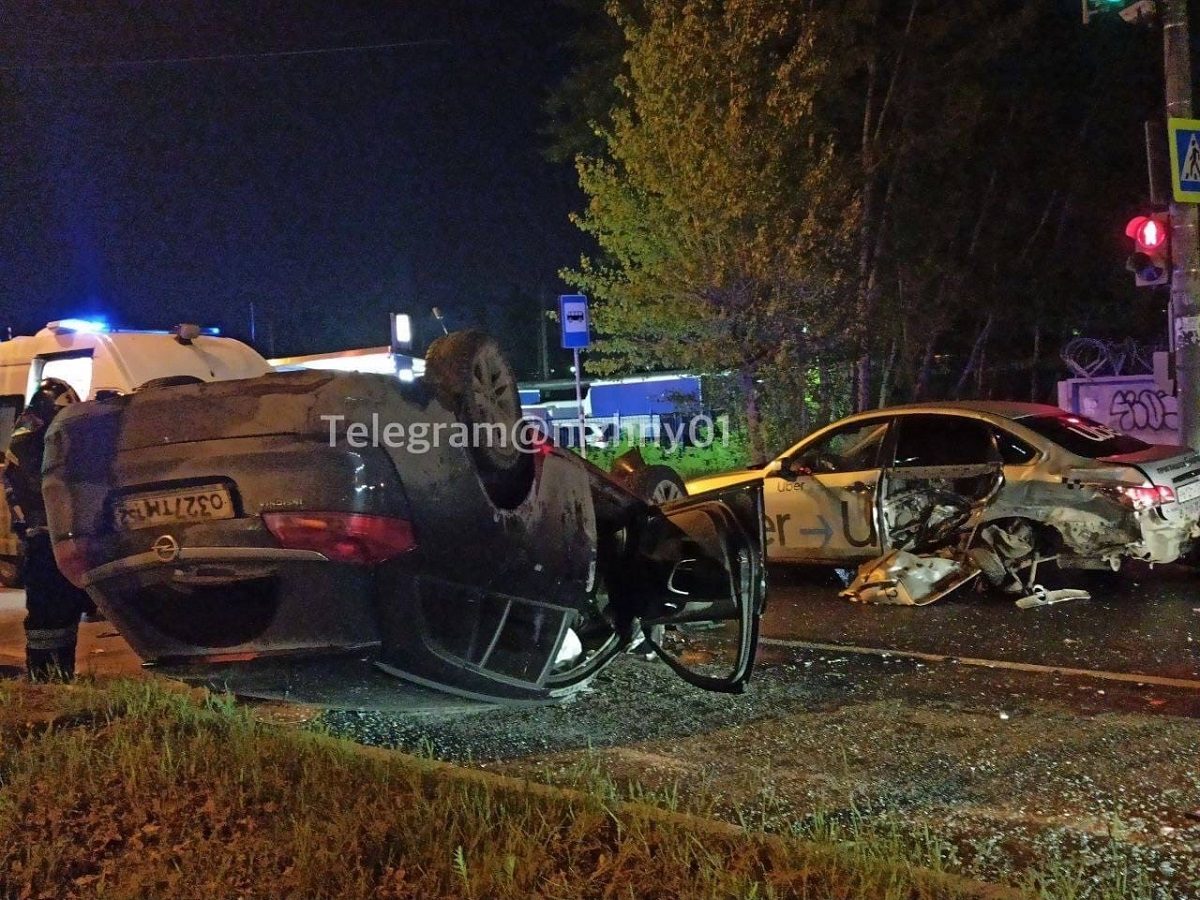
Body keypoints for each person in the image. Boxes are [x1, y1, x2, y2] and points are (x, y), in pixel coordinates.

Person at [3, 378, 91, 680]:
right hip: (47, 539)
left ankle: (53, 674)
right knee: (52, 614)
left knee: (57, 615)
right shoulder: (37, 441)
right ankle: (48, 676)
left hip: (46, 538)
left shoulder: (28, 434)